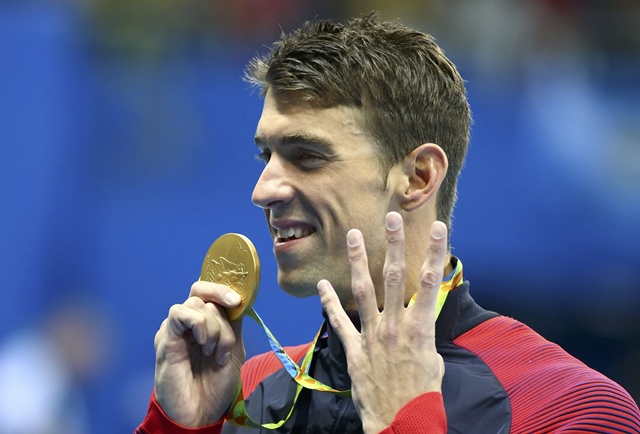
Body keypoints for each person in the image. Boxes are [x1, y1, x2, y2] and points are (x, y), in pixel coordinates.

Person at [135, 13, 640, 434]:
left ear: (418, 177)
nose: (263, 190)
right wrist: (179, 428)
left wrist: (407, 420)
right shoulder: (253, 389)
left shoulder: (570, 405)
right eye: (266, 155)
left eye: (308, 157)